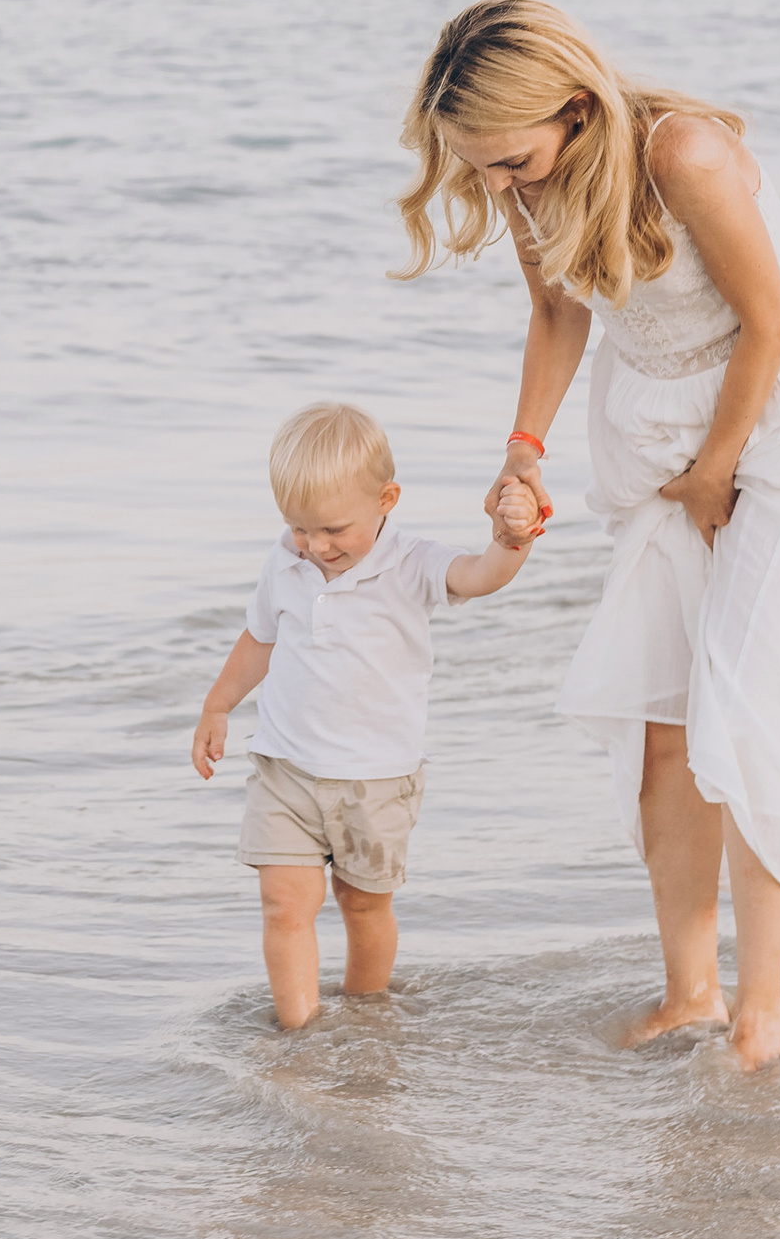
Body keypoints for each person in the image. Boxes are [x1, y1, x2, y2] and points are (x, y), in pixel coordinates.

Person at [397, 0, 780, 1069]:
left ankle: (762, 1011)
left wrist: (720, 470)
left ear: (576, 110)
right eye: (477, 167)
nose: (498, 187)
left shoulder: (685, 155)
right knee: (663, 732)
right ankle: (690, 995)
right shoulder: (528, 184)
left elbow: (771, 319)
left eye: (513, 162)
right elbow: (558, 314)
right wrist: (522, 450)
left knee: (750, 721)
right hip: (663, 433)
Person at [191, 399, 543, 1029]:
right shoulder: (286, 560)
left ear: (387, 500)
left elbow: (479, 575)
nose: (315, 546)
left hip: (376, 777)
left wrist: (510, 540)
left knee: (363, 906)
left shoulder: (413, 563)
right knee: (282, 904)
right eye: (300, 528)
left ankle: (365, 1011)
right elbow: (258, 641)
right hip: (285, 769)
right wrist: (217, 705)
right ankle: (299, 1032)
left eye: (332, 530)